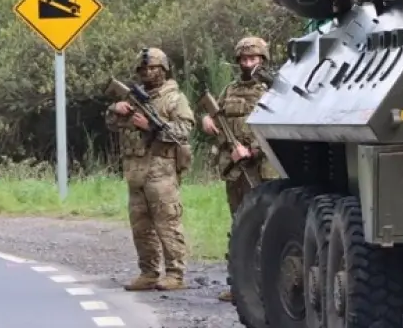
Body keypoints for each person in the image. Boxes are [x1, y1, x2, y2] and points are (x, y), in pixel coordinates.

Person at [105, 47, 195, 292]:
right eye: (144, 69)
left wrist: (153, 127)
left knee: (168, 223)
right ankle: (149, 272)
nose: (148, 72)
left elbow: (184, 131)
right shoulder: (134, 98)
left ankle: (175, 274)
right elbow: (112, 125)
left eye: (154, 68)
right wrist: (117, 109)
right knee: (140, 226)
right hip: (135, 172)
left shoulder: (174, 98)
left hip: (162, 170)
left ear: (164, 69)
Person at [197, 36, 279, 303]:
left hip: (263, 170)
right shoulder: (230, 90)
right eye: (244, 59)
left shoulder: (273, 90)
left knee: (266, 227)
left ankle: (268, 288)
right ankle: (239, 285)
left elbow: (276, 127)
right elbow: (216, 115)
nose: (248, 64)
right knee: (240, 227)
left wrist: (252, 149)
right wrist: (207, 121)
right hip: (234, 170)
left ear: (263, 59)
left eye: (253, 59)